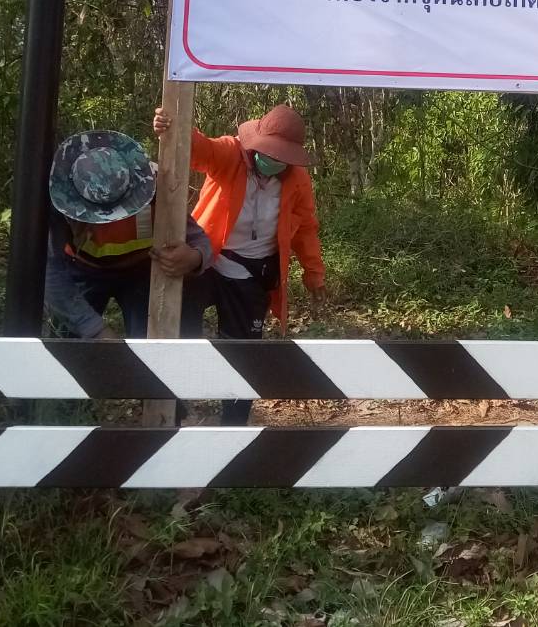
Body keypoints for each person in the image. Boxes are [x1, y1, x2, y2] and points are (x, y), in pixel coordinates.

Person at [154, 103, 326, 425]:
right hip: (205, 262)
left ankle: (233, 427)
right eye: (269, 152)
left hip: (253, 275)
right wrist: (173, 126)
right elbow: (199, 149)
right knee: (179, 334)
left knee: (244, 354)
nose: (273, 160)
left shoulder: (297, 180)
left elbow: (306, 228)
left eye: (281, 156)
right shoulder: (230, 154)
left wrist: (314, 273)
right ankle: (174, 411)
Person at [43, 130, 211, 340]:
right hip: (82, 269)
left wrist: (195, 258)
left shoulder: (156, 185)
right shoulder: (61, 198)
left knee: (147, 344)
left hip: (141, 273)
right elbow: (51, 272)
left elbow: (199, 240)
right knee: (67, 345)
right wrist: (94, 330)